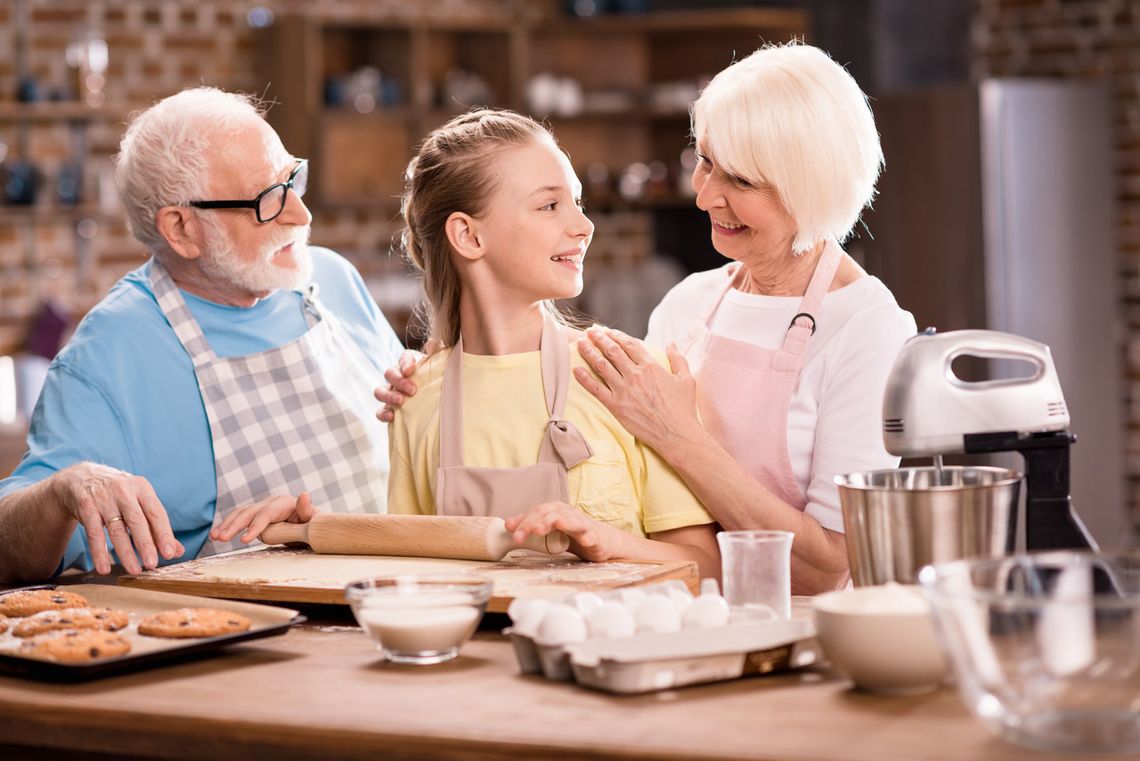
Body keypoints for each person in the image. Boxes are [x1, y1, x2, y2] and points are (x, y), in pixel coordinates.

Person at [378, 44, 915, 594]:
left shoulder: (868, 331)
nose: (704, 196)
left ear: (809, 188)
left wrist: (682, 438)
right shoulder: (687, 305)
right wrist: (438, 375)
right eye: (703, 161)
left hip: (801, 626)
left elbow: (825, 569)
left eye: (740, 181)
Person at [0, 87, 403, 583]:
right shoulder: (109, 353)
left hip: (391, 605)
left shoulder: (332, 279)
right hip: (243, 645)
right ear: (181, 229)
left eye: (291, 180)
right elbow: (5, 554)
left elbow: (415, 440)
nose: (302, 214)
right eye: (268, 200)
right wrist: (64, 489)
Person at [386, 109, 720, 579]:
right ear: (468, 235)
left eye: (577, 202)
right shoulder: (414, 399)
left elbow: (707, 570)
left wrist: (608, 543)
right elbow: (410, 576)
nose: (584, 226)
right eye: (549, 206)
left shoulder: (628, 375)